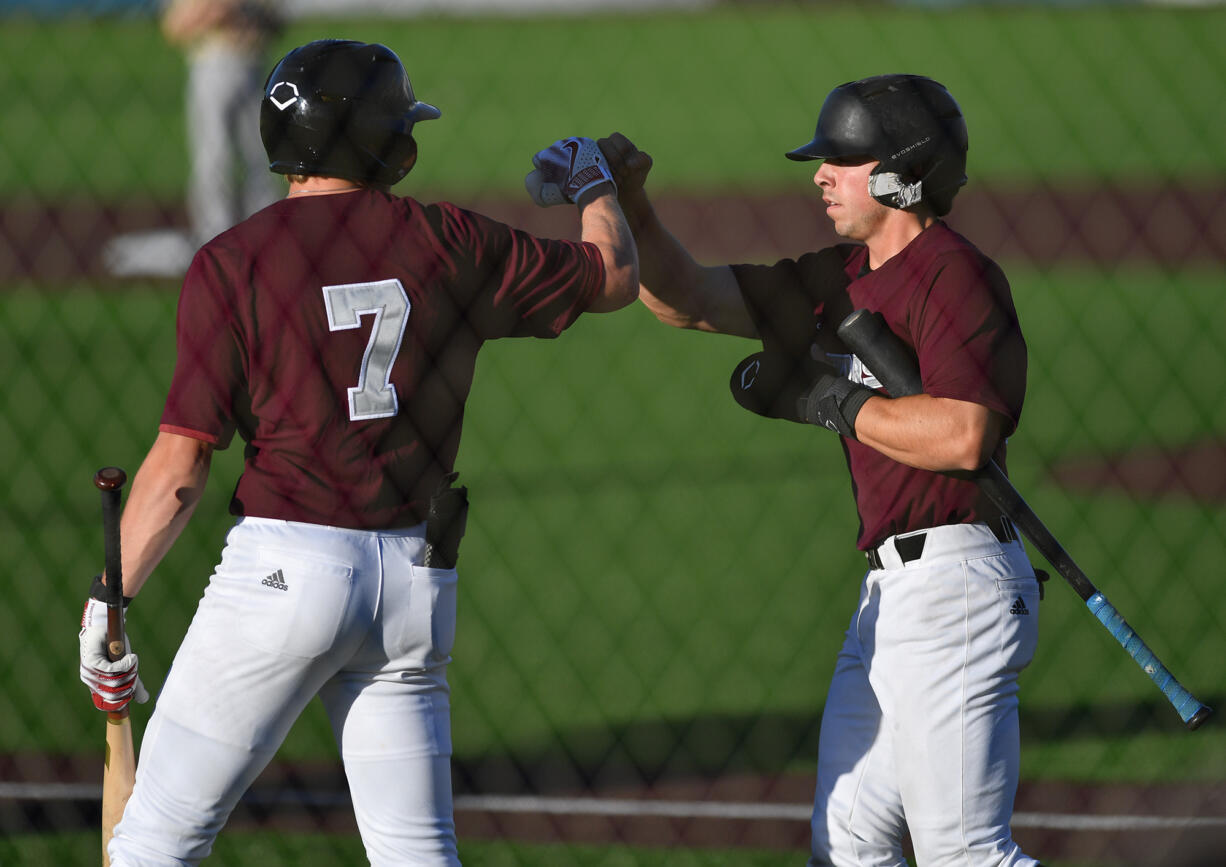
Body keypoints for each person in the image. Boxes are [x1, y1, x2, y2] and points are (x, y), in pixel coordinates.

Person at [78, 39, 637, 866]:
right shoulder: (450, 238)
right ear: (378, 142)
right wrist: (594, 181)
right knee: (417, 855)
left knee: (152, 844)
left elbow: (180, 469)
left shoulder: (234, 261)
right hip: (414, 583)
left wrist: (107, 597)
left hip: (284, 575)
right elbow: (612, 274)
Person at [600, 74, 1043, 866]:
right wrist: (632, 204)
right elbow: (688, 298)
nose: (820, 174)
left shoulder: (956, 275)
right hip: (894, 596)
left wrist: (830, 401)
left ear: (900, 170)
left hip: (955, 589)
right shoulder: (836, 277)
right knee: (848, 844)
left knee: (966, 854)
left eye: (841, 158)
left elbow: (965, 433)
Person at [103, 1, 283, 277]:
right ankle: (216, 239)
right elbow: (174, 28)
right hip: (212, 65)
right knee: (214, 159)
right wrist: (219, 11)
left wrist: (251, 13)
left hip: (255, 65)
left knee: (260, 158)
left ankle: (270, 237)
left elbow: (276, 22)